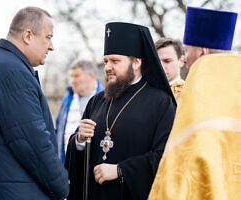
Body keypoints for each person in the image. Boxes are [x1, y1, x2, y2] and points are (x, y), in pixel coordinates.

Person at [0, 7, 69, 200]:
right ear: (28, 35)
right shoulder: (11, 71)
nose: (51, 46)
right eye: (48, 37)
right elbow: (33, 144)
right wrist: (63, 187)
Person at [65, 22, 176, 200]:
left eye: (115, 61)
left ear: (136, 62)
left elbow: (166, 157)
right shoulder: (97, 101)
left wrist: (120, 170)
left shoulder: (161, 103)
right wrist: (79, 140)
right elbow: (77, 157)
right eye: (106, 61)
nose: (108, 67)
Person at [148, 7, 240, 200]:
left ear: (203, 51)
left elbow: (189, 157)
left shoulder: (201, 88)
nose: (186, 57)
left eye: (188, 50)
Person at [56, 60, 103, 163]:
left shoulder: (104, 99)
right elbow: (58, 130)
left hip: (91, 165)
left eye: (77, 76)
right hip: (65, 163)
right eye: (72, 77)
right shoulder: (67, 99)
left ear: (91, 76)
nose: (73, 81)